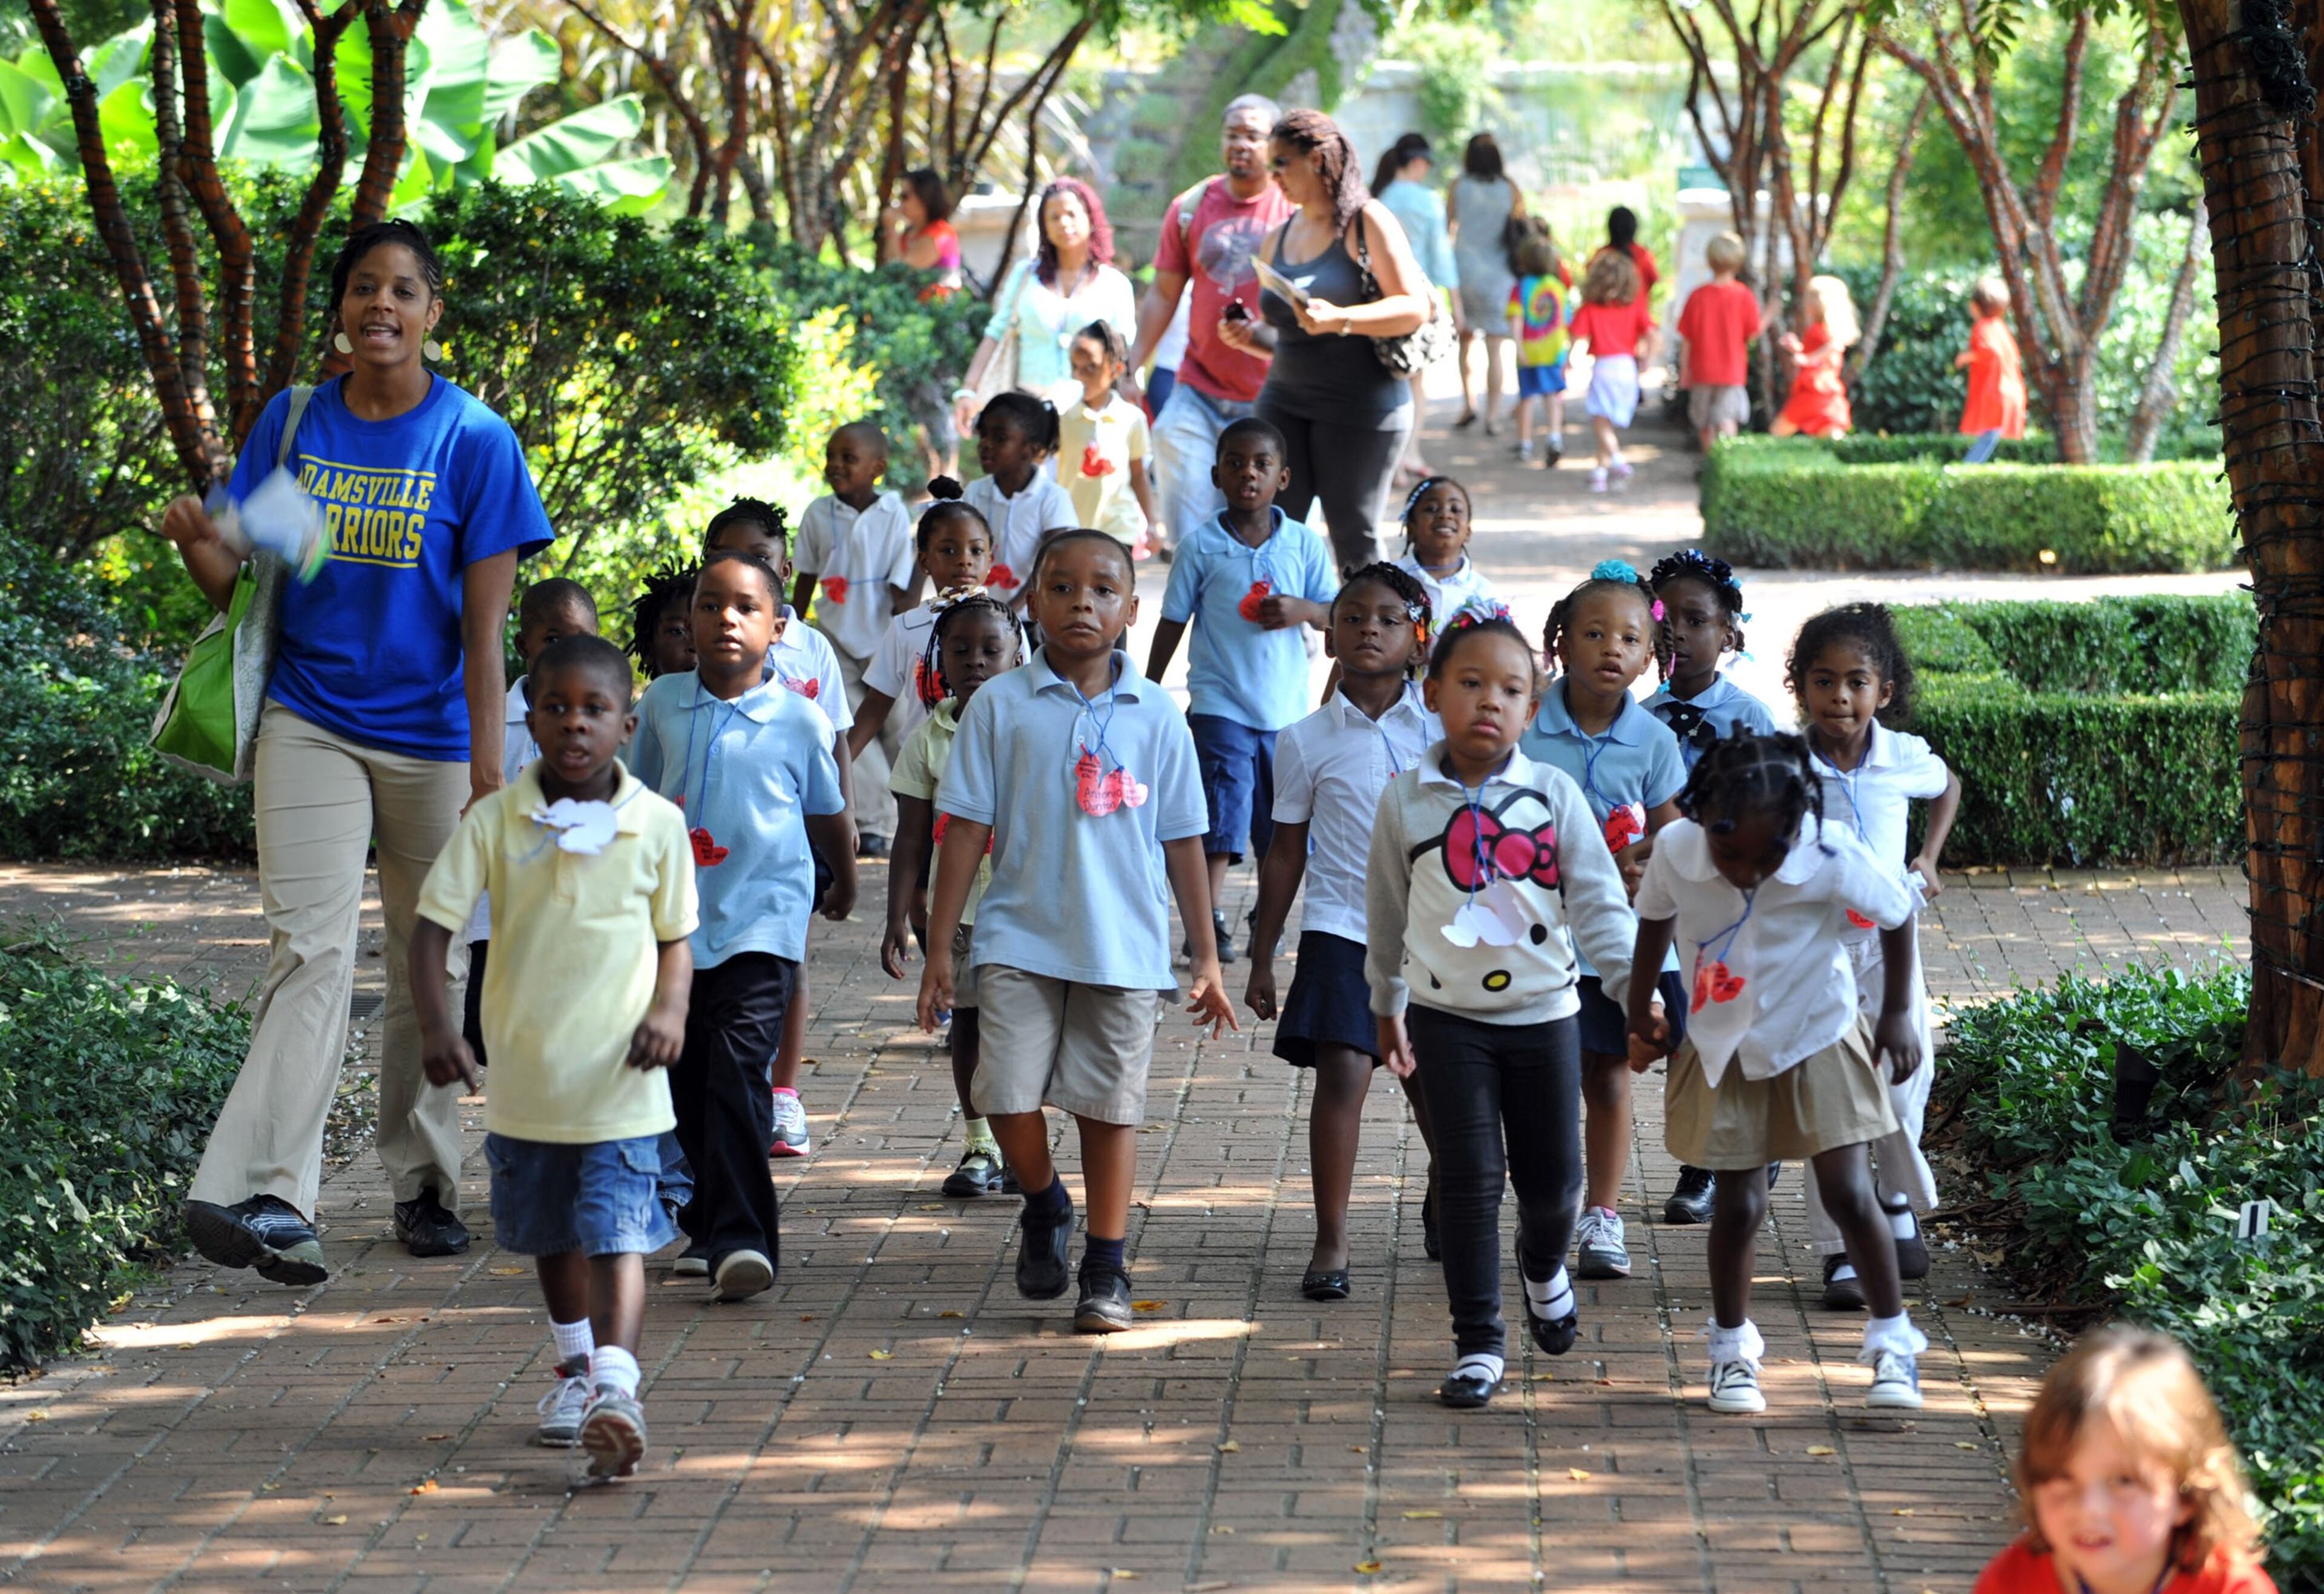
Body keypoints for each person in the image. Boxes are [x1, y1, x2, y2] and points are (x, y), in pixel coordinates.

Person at [164, 219, 553, 1284]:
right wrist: (205, 545)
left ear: (433, 313)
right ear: (341, 309)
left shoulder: (475, 441)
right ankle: (270, 1193)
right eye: (363, 287)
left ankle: (424, 1178)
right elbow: (245, 594)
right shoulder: (296, 425)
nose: (381, 304)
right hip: (310, 717)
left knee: (433, 958)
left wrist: (485, 770)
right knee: (312, 950)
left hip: (432, 736)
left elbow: (486, 635)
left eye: (404, 291)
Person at [917, 531, 1238, 1333]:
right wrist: (938, 948)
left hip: (1122, 947)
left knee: (1108, 1107)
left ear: (1131, 610)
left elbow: (1185, 838)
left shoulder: (1157, 713)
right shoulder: (1000, 704)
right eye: (1061, 588)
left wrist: (1204, 954)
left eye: (1102, 590)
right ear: (1031, 602)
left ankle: (1106, 1261)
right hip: (1017, 937)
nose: (1081, 604)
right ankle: (1045, 1199)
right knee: (1004, 1095)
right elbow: (963, 829)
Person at [409, 632, 694, 1478]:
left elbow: (677, 937)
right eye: (557, 708)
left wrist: (670, 1008)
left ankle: (617, 1384)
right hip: (527, 1085)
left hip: (623, 1081)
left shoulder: (658, 825)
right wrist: (438, 1027)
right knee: (548, 1233)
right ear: (530, 718)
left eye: (595, 710)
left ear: (627, 724)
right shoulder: (495, 820)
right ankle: (576, 1367)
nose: (575, 725)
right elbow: (431, 931)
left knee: (616, 1231)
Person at [1368, 605, 1641, 1409]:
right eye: (1471, 683)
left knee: (1556, 1185)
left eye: (1511, 688)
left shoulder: (1555, 794)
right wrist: (1386, 1002)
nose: (1490, 701)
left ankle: (1544, 1263)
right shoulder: (1406, 800)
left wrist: (1634, 991)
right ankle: (1478, 1341)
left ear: (1532, 704)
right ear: (1433, 692)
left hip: (1546, 1014)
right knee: (1469, 1177)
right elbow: (1385, 910)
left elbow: (1599, 908)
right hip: (1444, 1020)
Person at [1625, 732, 1928, 1415]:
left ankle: (1893, 1345)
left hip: (1817, 1030)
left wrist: (1898, 1015)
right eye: (1730, 855)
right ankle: (1731, 1354)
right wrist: (1637, 1003)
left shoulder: (1827, 852)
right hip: (1725, 1043)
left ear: (1797, 829)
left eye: (1768, 857)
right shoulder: (1678, 849)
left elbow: (1899, 911)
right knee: (1738, 1206)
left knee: (1851, 1194)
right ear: (1704, 821)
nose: (1746, 873)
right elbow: (1653, 919)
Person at [628, 551, 856, 1303]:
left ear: (778, 626)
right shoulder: (662, 702)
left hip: (765, 920)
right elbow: (635, 796)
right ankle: (706, 1216)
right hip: (675, 927)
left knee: (735, 1069)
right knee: (686, 1081)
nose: (726, 618)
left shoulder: (798, 716)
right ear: (689, 622)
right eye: (709, 605)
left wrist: (847, 878)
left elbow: (827, 812)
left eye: (746, 607)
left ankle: (744, 1239)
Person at [1245, 563, 1440, 1301]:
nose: (1369, 631)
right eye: (1352, 618)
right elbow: (1285, 850)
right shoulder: (1303, 740)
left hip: (1437, 935)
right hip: (1342, 928)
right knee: (1344, 1077)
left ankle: (1445, 1184)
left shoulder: (1444, 730)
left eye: (1389, 619)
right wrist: (1264, 955)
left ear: (1417, 640)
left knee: (1439, 1090)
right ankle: (1332, 1239)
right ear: (1328, 638)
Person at [1519, 562, 1690, 1282]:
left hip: (1623, 939)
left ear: (1651, 656)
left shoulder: (1653, 740)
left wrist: (1643, 860)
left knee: (1612, 1074)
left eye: (1629, 637)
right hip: (1544, 938)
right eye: (1593, 633)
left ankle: (1604, 1215)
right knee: (1551, 1080)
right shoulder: (1529, 728)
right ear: (1561, 643)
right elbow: (1504, 824)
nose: (1610, 649)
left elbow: (1673, 836)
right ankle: (1547, 1210)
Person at [1788, 603, 1960, 1310]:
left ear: (1883, 691)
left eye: (1857, 682)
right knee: (1829, 1086)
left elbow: (1947, 786)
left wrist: (1928, 855)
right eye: (1824, 682)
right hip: (1818, 946)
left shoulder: (1901, 759)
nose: (1840, 698)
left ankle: (1893, 1196)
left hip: (1892, 939)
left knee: (1904, 1071)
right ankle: (1841, 1250)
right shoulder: (1788, 761)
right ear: (1801, 688)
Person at [1146, 416, 1337, 963]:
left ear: (1284, 478)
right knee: (1217, 822)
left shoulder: (1302, 543)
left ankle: (1266, 921)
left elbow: (1334, 615)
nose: (1247, 474)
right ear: (1215, 475)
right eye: (1235, 463)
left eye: (1261, 464)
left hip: (1285, 715)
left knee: (1277, 827)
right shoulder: (1200, 547)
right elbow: (1172, 620)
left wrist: (1304, 611)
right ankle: (1207, 925)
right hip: (1218, 705)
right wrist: (1150, 690)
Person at [704, 501, 858, 1159]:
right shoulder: (702, 638)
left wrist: (844, 828)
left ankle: (783, 1094)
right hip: (706, 843)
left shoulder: (811, 646)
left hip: (791, 842)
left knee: (786, 960)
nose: (746, 571)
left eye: (762, 559)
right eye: (727, 557)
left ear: (786, 568)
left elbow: (837, 740)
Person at [1223, 109, 1432, 573]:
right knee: (1270, 533)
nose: (1272, 175)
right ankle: (1282, 640)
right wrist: (1247, 335)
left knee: (1353, 540)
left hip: (1362, 408)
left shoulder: (1368, 220)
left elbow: (1414, 307)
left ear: (1317, 160)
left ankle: (1366, 643)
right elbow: (1290, 336)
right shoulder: (1277, 238)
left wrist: (1343, 319)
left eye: (1281, 163)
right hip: (1284, 402)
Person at [1641, 550, 1778, 1227]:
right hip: (1664, 900)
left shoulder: (1751, 720)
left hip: (1731, 902)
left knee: (1722, 1029)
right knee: (1681, 1032)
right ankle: (1712, 1153)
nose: (1677, 635)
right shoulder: (1636, 720)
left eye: (1696, 621)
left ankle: (1718, 1163)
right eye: (1664, 619)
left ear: (1729, 634)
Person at [882, 592, 1026, 1199]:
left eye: (991, 650)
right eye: (960, 650)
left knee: (1022, 1031)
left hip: (1025, 910)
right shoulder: (928, 739)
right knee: (967, 1025)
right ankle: (981, 1145)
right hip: (959, 913)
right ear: (940, 661)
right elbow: (911, 837)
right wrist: (899, 916)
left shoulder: (1034, 727)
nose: (975, 661)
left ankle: (1024, 1146)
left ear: (1018, 658)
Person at [1976, 1327, 2278, 1594]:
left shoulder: (2233, 1589)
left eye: (2124, 1481)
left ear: (2186, 1496)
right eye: (2062, 1477)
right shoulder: (2011, 1581)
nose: (2089, 1509)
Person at [1126, 95, 1291, 565]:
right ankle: (1203, 601)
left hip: (1270, 398)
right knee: (1197, 534)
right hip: (1196, 389)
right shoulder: (1190, 207)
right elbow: (1163, 294)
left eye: (1254, 135)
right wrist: (1131, 365)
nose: (1242, 144)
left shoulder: (1291, 211)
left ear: (1273, 144)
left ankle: (1284, 628)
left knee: (1265, 536)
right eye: (1233, 134)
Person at [458, 578, 599, 1072]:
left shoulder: (608, 728)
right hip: (497, 918)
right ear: (523, 645)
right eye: (552, 640)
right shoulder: (494, 721)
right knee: (485, 1033)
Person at [791, 422, 917, 856]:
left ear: (877, 468)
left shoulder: (894, 513)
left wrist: (909, 630)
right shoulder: (817, 513)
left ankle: (916, 815)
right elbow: (805, 573)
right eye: (831, 456)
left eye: (849, 458)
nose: (835, 465)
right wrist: (792, 623)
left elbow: (904, 579)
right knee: (844, 729)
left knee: (899, 726)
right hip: (834, 639)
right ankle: (878, 823)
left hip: (884, 638)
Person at [954, 178, 1138, 434]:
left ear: (1090, 218)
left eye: (1072, 214)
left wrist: (1130, 397)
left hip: (1089, 418)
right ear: (1044, 226)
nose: (1064, 223)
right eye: (1054, 217)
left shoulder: (1115, 285)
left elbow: (1125, 351)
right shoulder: (1025, 276)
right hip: (1026, 413)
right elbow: (996, 333)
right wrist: (968, 389)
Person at [851, 485, 997, 779]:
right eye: (948, 550)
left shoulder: (1006, 627)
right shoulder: (906, 627)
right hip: (919, 772)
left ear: (990, 560)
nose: (964, 560)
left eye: (976, 550)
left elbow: (1022, 702)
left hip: (986, 767)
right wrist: (836, 765)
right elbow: (877, 704)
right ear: (925, 561)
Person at [1373, 131, 1460, 480]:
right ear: (1418, 162)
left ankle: (1390, 461)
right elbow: (1441, 257)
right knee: (1415, 381)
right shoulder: (1428, 201)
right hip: (1417, 300)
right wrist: (1457, 302)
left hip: (1377, 297)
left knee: (1385, 378)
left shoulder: (1376, 198)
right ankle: (1410, 453)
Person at [1052, 320, 1161, 556]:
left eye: (1090, 367)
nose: (1080, 376)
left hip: (1119, 529)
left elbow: (1138, 474)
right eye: (1074, 367)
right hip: (1071, 527)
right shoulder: (1062, 418)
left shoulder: (1133, 419)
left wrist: (1151, 523)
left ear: (1116, 370)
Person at [887, 168, 966, 480]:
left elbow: (899, 272)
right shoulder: (912, 235)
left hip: (939, 334)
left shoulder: (940, 233)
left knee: (937, 401)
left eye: (906, 196)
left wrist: (890, 230)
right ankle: (934, 471)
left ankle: (949, 473)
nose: (901, 203)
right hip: (917, 333)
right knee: (919, 402)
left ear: (925, 198)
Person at [962, 392, 1075, 604]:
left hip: (1032, 619)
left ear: (1031, 450)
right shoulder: (975, 492)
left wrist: (1012, 611)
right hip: (981, 614)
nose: (986, 444)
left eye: (1000, 438)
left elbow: (1052, 561)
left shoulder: (1053, 498)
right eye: (983, 434)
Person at [1448, 133, 1523, 436]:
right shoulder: (1511, 189)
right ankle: (1492, 416)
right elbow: (1520, 226)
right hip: (1500, 273)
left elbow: (1447, 225)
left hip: (1465, 270)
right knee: (1495, 348)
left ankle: (1469, 404)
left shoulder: (1458, 186)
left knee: (1466, 341)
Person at [1567, 249, 1659, 493]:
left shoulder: (1590, 309)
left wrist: (1568, 361)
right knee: (1605, 421)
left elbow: (1576, 336)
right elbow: (1652, 334)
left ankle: (1618, 461)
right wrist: (1647, 359)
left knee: (1600, 420)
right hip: (1627, 368)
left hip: (1604, 367)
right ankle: (1600, 473)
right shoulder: (1635, 309)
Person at [1676, 232, 1760, 453]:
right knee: (1727, 418)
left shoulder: (1697, 296)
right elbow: (1753, 332)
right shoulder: (1744, 296)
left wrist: (1685, 370)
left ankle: (1710, 463)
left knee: (1704, 423)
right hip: (1731, 371)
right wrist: (1769, 314)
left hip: (1702, 370)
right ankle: (1727, 465)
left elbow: (1687, 338)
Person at [1393, 475, 1493, 648]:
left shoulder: (1483, 593)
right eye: (1431, 509)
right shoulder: (1389, 582)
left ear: (1468, 531)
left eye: (1456, 509)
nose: (1445, 514)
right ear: (1411, 529)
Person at [1506, 217, 1571, 468]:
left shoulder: (1520, 288)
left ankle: (1525, 443)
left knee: (1527, 399)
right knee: (1553, 397)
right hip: (1554, 352)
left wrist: (1519, 347)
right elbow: (1564, 320)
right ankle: (1555, 438)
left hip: (1529, 353)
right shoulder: (1558, 287)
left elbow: (1516, 320)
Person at [1771, 275, 1859, 438]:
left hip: (1815, 389)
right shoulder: (1823, 329)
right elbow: (1817, 351)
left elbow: (1832, 347)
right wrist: (1797, 349)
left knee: (1777, 434)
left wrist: (1808, 360)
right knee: (1829, 434)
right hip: (1824, 391)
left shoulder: (1821, 330)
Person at [1956, 277, 2027, 463]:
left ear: (1976, 306)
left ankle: (1966, 470)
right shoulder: (2001, 328)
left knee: (1989, 436)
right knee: (1992, 436)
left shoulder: (1983, 326)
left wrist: (1967, 357)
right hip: (2010, 391)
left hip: (1995, 394)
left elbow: (1990, 352)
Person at [628, 562, 700, 683]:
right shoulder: (649, 702)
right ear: (648, 650)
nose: (694, 646)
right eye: (679, 631)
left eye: (705, 632)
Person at [1596, 205, 1660, 305]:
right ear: (1634, 228)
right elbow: (1654, 279)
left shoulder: (1601, 256)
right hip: (1638, 316)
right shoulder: (1643, 255)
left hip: (1604, 317)